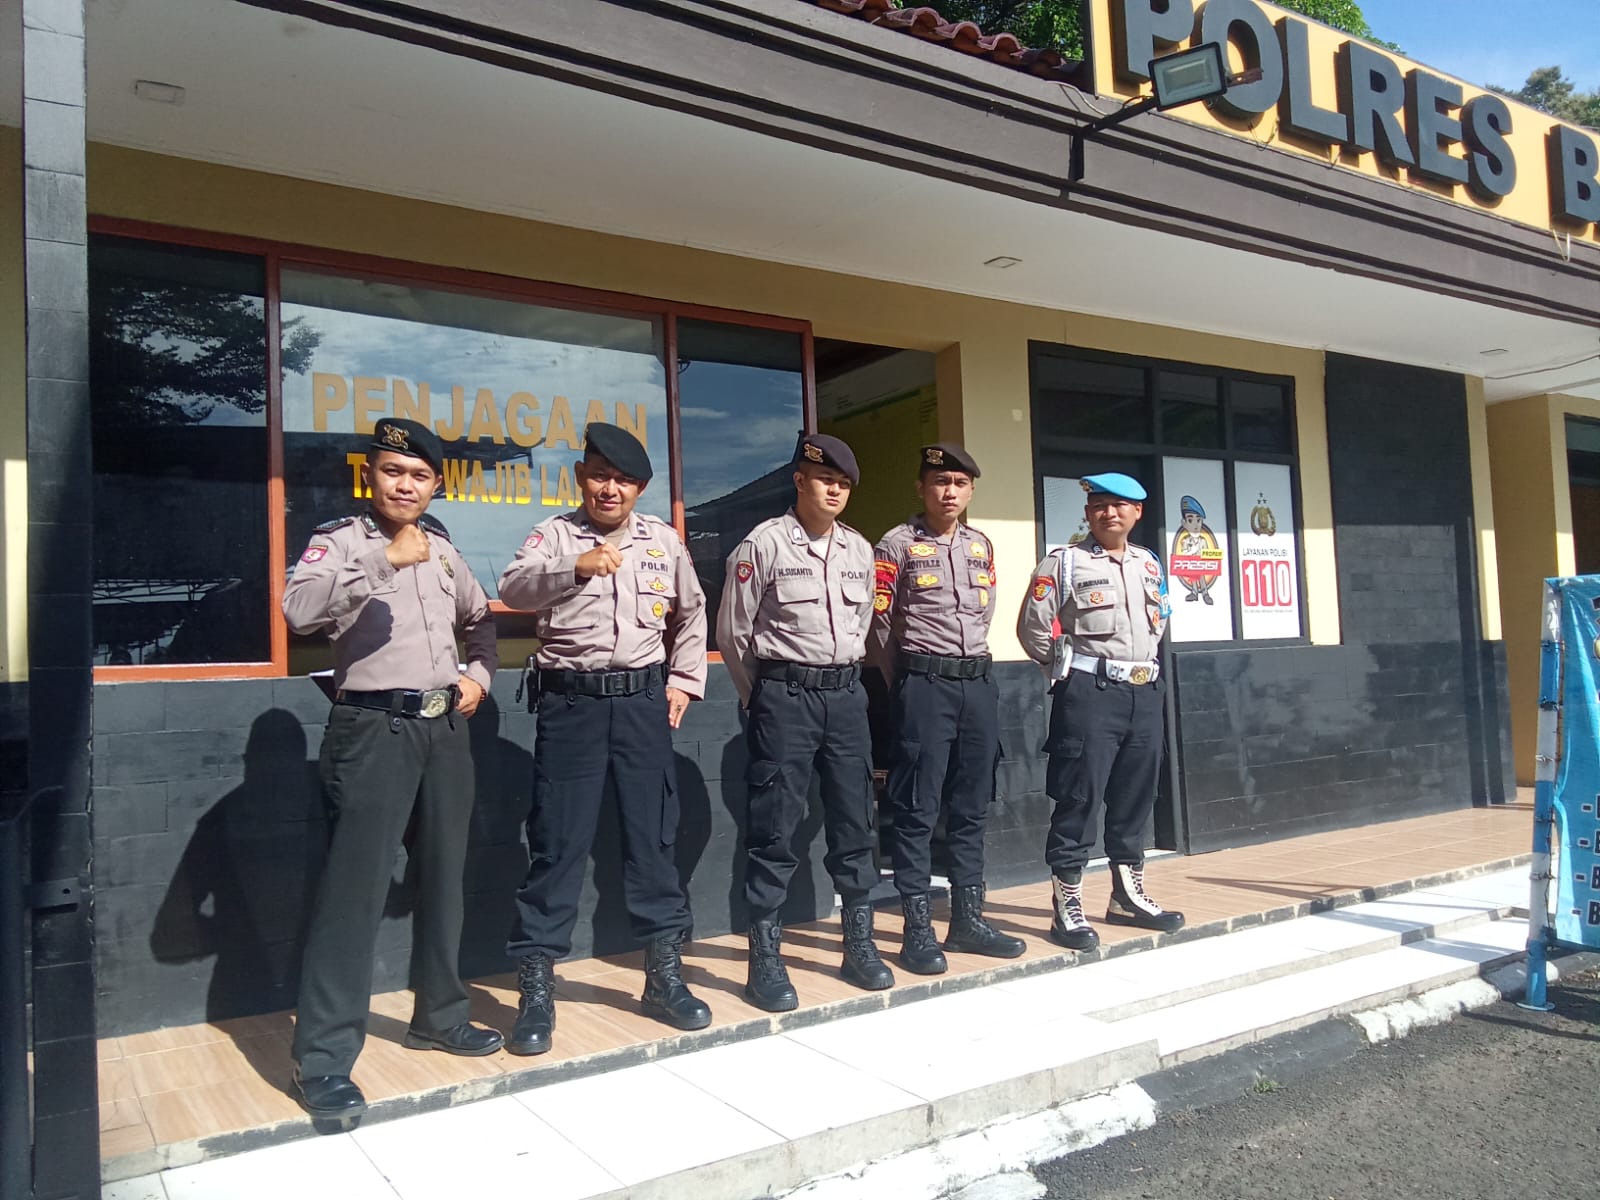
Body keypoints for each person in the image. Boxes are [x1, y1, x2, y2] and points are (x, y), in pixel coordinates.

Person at [283, 417, 502, 1124]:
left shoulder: (443, 548)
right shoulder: (340, 541)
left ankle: (440, 1015)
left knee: (444, 879)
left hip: (444, 729)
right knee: (354, 894)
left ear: (435, 484)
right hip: (373, 729)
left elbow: (481, 621)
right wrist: (384, 562)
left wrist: (478, 678)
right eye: (392, 472)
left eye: (419, 476)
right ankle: (322, 1059)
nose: (405, 485)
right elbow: (298, 613)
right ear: (370, 475)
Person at [499, 422, 710, 1055]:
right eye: (598, 476)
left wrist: (684, 681)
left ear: (639, 488)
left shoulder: (662, 541)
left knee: (653, 839)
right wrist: (575, 567)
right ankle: (537, 991)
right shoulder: (553, 536)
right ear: (581, 478)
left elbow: (692, 612)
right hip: (572, 707)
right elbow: (512, 589)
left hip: (643, 705)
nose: (609, 488)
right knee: (557, 845)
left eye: (622, 480)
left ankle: (663, 977)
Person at [717, 433, 891, 1011]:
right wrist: (764, 698)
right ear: (800, 481)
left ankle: (858, 945)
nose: (834, 491)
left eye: (843, 484)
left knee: (855, 820)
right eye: (825, 480)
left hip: (846, 698)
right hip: (785, 696)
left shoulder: (859, 550)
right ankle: (765, 958)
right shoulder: (763, 544)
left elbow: (864, 626)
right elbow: (733, 634)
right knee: (775, 827)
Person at [868, 443, 1024, 974]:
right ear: (921, 488)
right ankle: (917, 929)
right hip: (923, 684)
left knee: (972, 804)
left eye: (959, 483)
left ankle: (967, 920)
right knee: (917, 807)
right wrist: (911, 679)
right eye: (939, 482)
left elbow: (986, 613)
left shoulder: (981, 545)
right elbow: (879, 625)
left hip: (977, 685)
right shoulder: (897, 545)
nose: (949, 492)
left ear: (971, 490)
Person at [1015, 472, 1185, 952]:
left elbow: (1159, 622)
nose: (1109, 513)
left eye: (1119, 505)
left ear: (1137, 512)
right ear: (1088, 513)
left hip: (1144, 693)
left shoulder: (1149, 563)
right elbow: (1032, 628)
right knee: (1079, 797)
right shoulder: (1065, 562)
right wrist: (1067, 673)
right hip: (1091, 692)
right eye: (1099, 506)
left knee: (1135, 795)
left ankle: (1126, 896)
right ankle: (1067, 904)